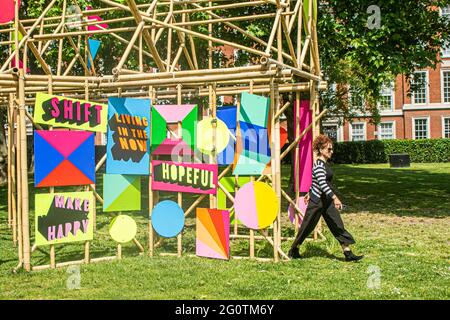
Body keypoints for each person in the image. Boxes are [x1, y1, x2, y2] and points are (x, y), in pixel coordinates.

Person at [288, 134, 363, 262]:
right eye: (329, 149)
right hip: (317, 202)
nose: (331, 152)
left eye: (332, 149)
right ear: (321, 150)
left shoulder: (325, 165)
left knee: (337, 224)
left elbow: (318, 181)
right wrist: (335, 198)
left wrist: (310, 191)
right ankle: (294, 249)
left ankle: (348, 253)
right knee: (307, 226)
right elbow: (322, 184)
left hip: (326, 202)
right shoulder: (318, 165)